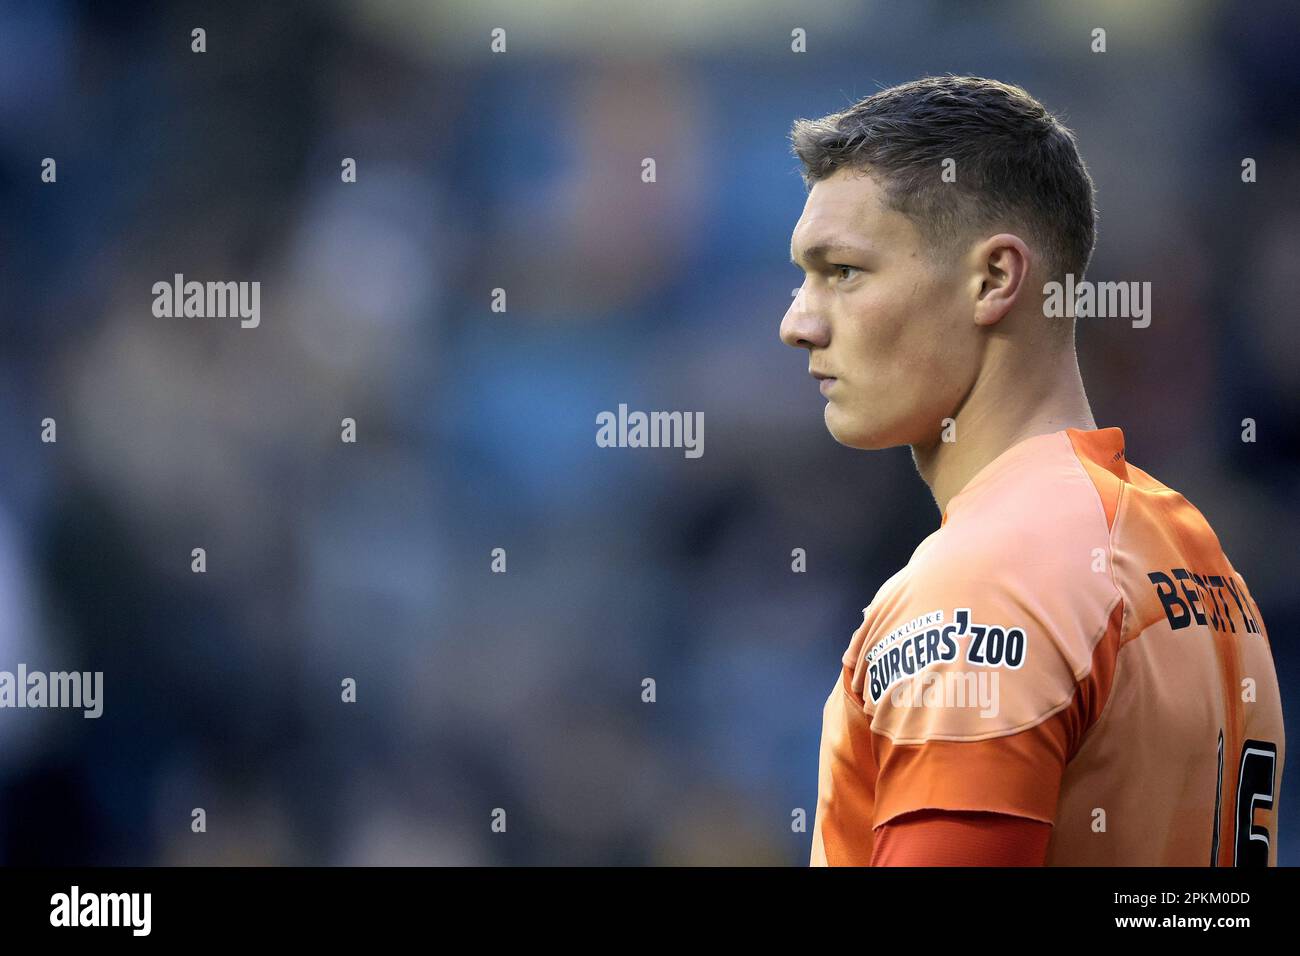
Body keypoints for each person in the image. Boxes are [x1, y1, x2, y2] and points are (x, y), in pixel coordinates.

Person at [781, 75, 1284, 866]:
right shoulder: (1196, 557)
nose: (797, 322)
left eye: (842, 271)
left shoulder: (985, 582)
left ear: (993, 280)